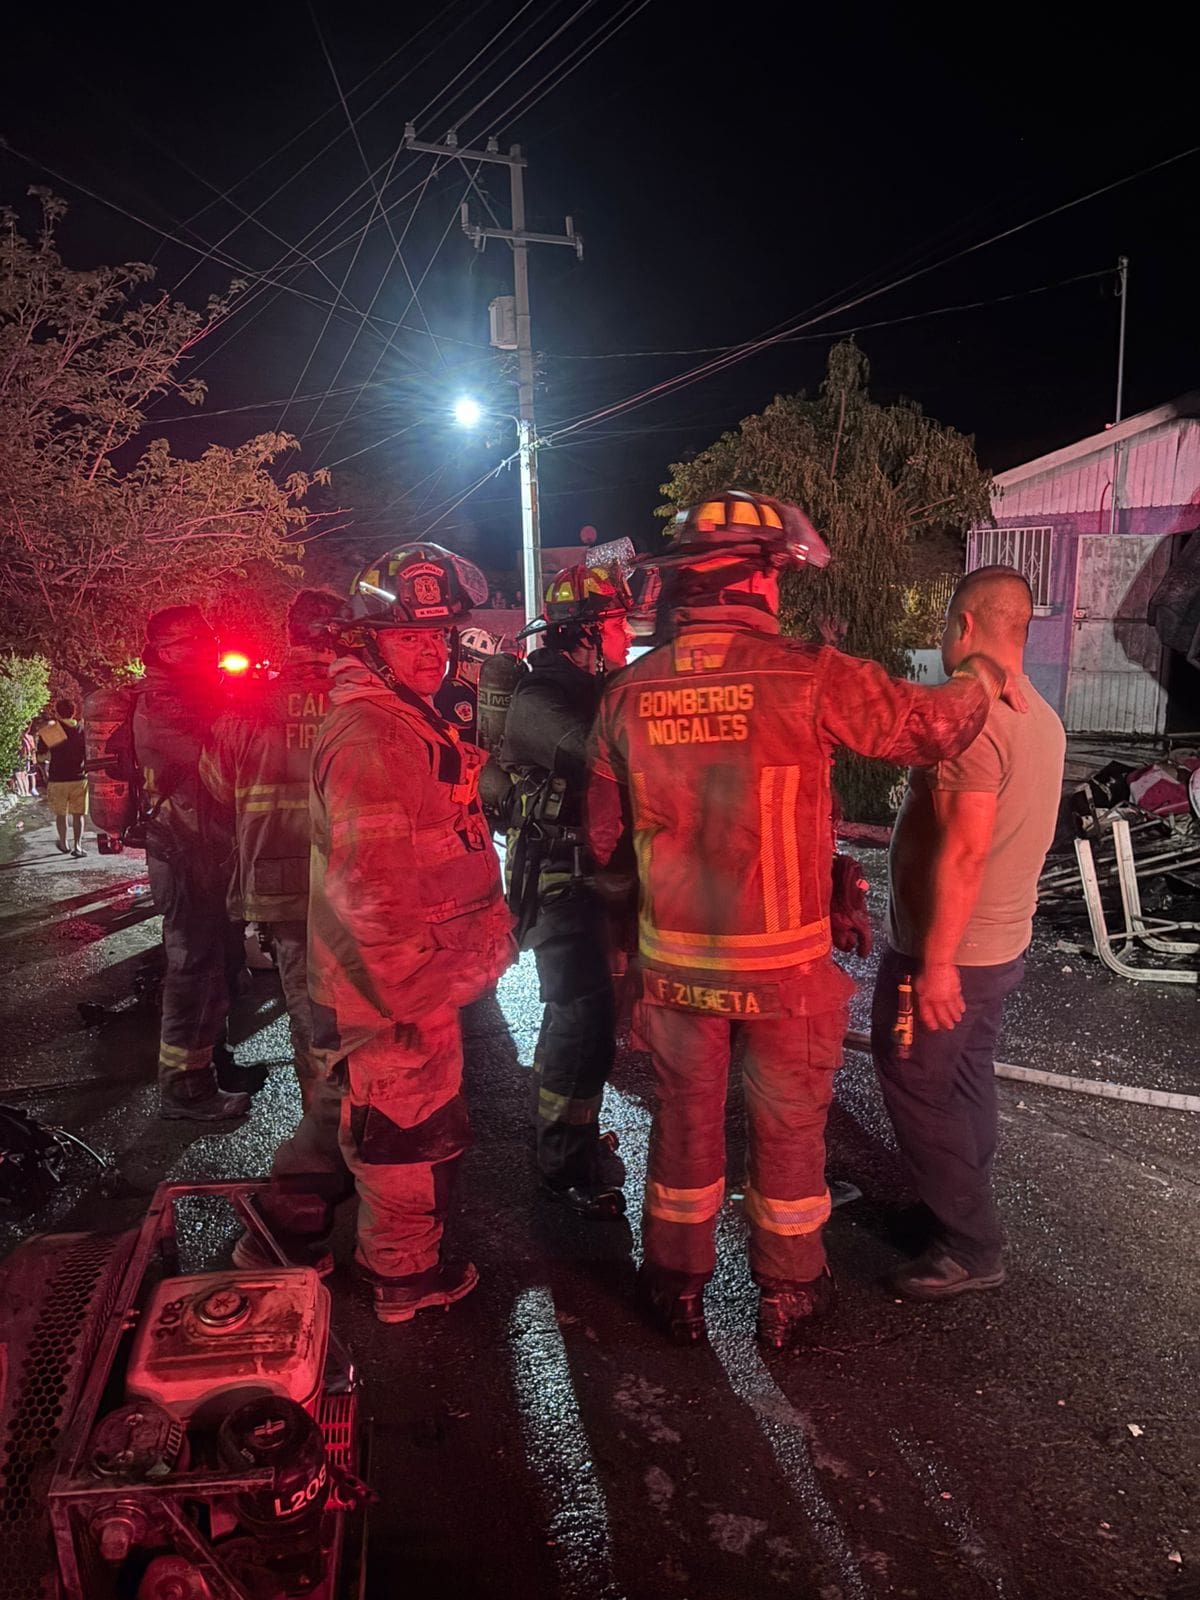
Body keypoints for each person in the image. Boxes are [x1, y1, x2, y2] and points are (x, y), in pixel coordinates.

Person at [586, 491, 1021, 1350]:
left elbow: (605, 848)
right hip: (783, 974)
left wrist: (623, 975)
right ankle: (788, 1297)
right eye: (779, 574)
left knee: (683, 1127)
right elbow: (930, 728)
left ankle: (675, 1285)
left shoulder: (627, 693)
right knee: (787, 1135)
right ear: (757, 578)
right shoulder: (807, 674)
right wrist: (987, 667)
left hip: (673, 972)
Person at [263, 542, 514, 1325]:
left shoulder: (400, 717)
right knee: (406, 1125)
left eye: (438, 639)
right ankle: (403, 1277)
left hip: (380, 978)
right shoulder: (371, 736)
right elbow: (370, 888)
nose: (432, 654)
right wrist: (413, 994)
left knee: (349, 1106)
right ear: (367, 643)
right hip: (392, 982)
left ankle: (278, 1237)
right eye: (411, 638)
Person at [872, 566, 1065, 1299]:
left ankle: (970, 1242)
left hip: (952, 950)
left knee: (912, 1075)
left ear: (966, 627)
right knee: (963, 1073)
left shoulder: (970, 722)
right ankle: (955, 1209)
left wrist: (938, 965)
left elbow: (966, 847)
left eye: (947, 624)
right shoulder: (1042, 716)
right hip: (1002, 943)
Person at [498, 565, 634, 1218]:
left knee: (597, 1024)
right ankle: (559, 1162)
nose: (626, 634)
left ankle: (578, 1139)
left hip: (591, 879)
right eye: (616, 623)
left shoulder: (590, 685)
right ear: (583, 631)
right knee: (576, 1020)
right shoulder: (540, 697)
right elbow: (602, 757)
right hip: (557, 882)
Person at [200, 590, 345, 1122]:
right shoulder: (361, 700)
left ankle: (323, 1125)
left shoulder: (245, 705)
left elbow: (215, 784)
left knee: (307, 1003)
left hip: (276, 877)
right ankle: (368, 1127)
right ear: (339, 636)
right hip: (353, 875)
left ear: (290, 636)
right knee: (366, 999)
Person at [134, 605, 250, 1122]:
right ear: (163, 651)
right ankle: (185, 1087)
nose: (204, 653)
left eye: (206, 643)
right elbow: (220, 757)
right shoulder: (164, 704)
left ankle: (213, 1064)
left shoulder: (191, 696)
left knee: (219, 965)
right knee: (192, 969)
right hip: (184, 853)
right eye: (191, 645)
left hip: (207, 848)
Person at [38, 700, 89, 856]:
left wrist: (45, 773)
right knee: (78, 814)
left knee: (62, 814)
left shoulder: (52, 731)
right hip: (79, 777)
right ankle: (78, 846)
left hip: (58, 778)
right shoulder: (82, 730)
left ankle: (64, 843)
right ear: (74, 712)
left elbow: (41, 755)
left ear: (57, 712)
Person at [433, 625, 502, 739]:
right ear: (466, 666)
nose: (490, 672)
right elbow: (470, 739)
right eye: (485, 666)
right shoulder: (458, 696)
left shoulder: (457, 688)